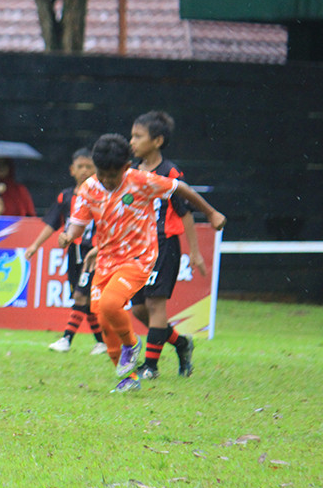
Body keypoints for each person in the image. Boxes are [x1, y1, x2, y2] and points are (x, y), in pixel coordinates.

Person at [57, 134, 225, 393]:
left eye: (112, 176)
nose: (106, 181)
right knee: (102, 317)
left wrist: (211, 212)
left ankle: (131, 345)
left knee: (112, 303)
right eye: (102, 174)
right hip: (106, 259)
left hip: (139, 257)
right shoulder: (89, 188)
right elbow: (78, 225)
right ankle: (128, 378)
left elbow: (179, 188)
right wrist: (68, 236)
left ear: (126, 168)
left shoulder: (141, 181)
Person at [129, 111, 206, 378]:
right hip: (137, 248)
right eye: (132, 136)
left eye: (138, 136)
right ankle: (181, 343)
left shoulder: (170, 172)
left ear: (158, 140)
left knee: (155, 306)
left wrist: (195, 252)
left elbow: (184, 212)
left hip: (164, 246)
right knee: (138, 308)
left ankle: (151, 366)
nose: (132, 141)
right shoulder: (131, 171)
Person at [25, 148, 106, 355]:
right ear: (72, 170)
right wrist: (35, 245)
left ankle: (66, 339)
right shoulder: (66, 197)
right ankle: (102, 342)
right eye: (81, 166)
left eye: (90, 167)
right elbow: (52, 223)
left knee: (80, 297)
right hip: (74, 254)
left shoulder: (103, 196)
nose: (85, 170)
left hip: (92, 255)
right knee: (83, 300)